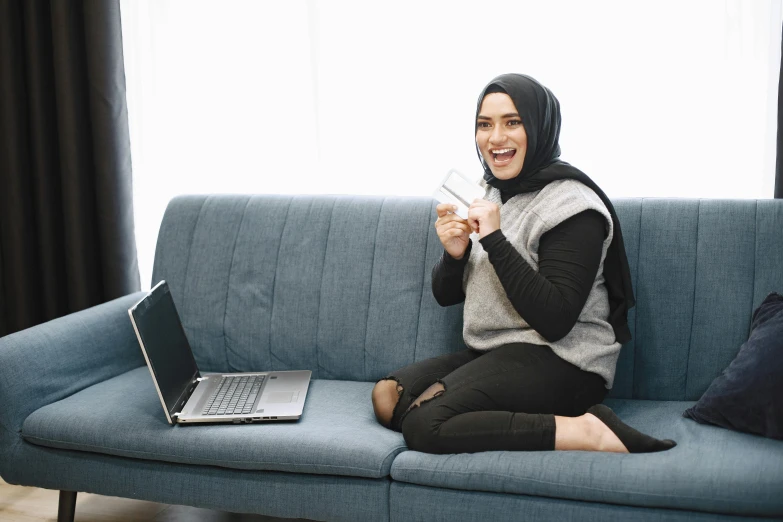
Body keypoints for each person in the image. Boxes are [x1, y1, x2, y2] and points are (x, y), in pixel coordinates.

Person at [370, 73, 676, 455]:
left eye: (512, 122)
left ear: (539, 127)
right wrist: (456, 253)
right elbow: (447, 295)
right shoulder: (491, 192)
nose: (495, 138)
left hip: (566, 363)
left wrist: (495, 241)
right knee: (387, 397)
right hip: (500, 351)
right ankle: (468, 414)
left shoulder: (573, 208)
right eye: (485, 125)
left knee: (423, 424)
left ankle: (587, 430)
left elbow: (555, 321)